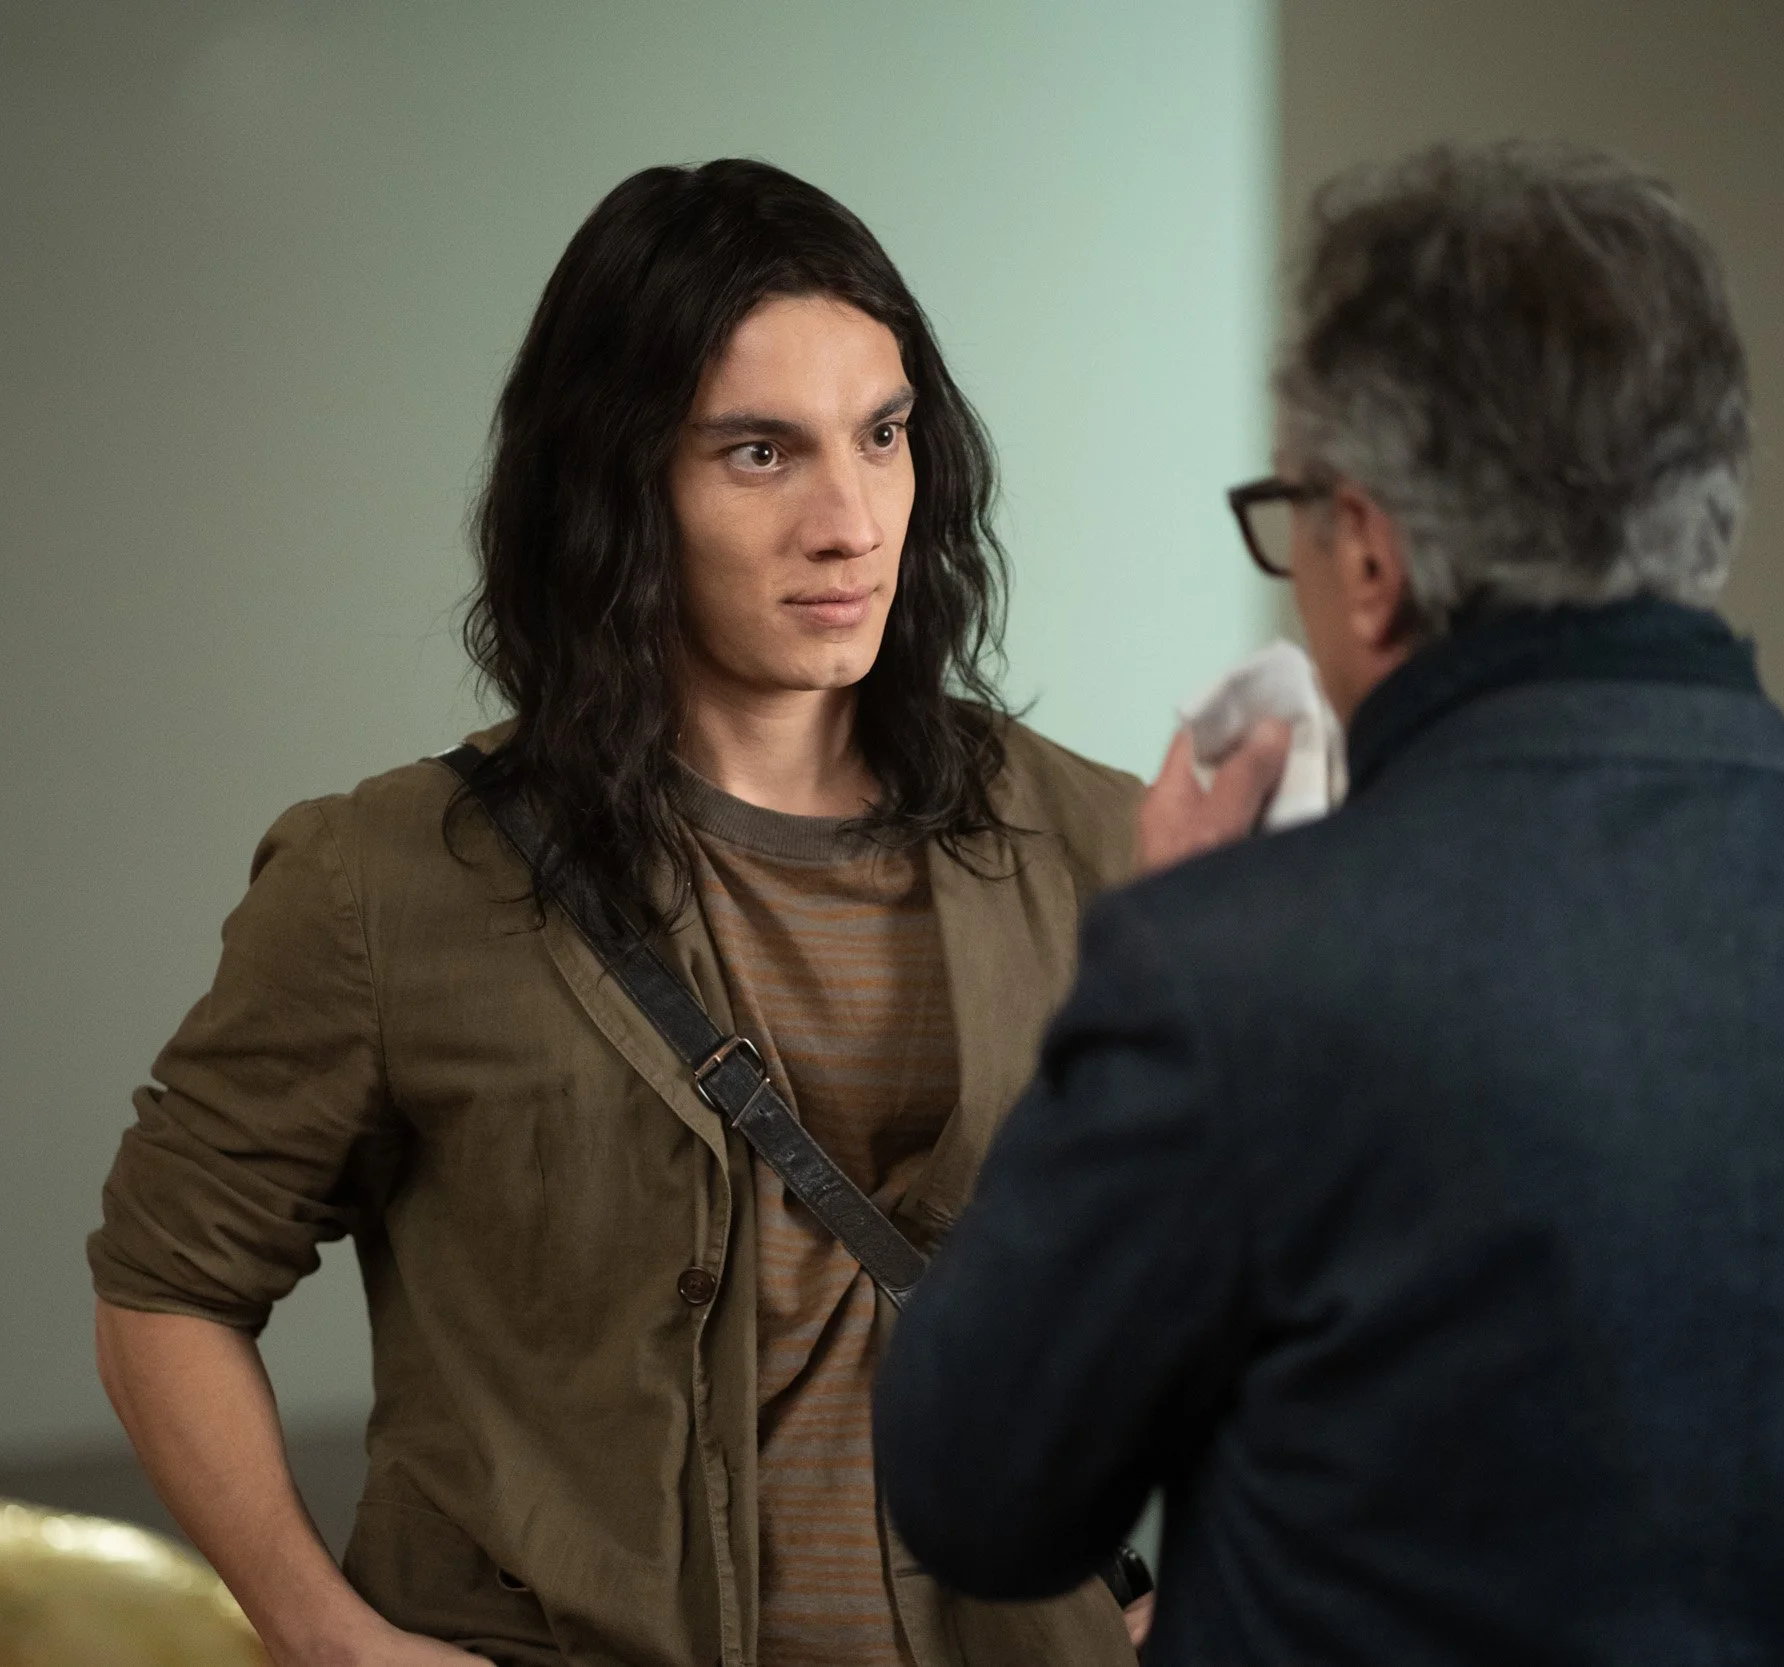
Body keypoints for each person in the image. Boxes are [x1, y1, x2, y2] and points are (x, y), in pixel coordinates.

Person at [874, 141, 1784, 1665]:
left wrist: (1154, 942)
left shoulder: (1232, 972)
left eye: (1295, 516)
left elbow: (978, 1490)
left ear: (1369, 555)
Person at [88, 159, 1149, 1667]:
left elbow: (1287, 1272)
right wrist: (325, 1633)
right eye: (762, 453)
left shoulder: (1094, 842)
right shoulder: (386, 881)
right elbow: (165, 1285)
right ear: (615, 488)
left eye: (883, 433)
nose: (852, 520)